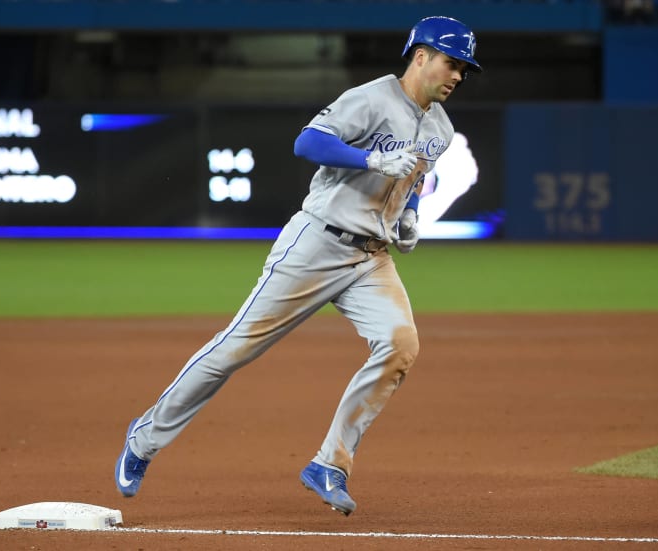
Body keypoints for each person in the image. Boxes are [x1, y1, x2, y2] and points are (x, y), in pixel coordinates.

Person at [115, 15, 482, 516]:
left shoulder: (440, 127)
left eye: (464, 67)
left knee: (401, 346)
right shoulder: (371, 98)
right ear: (420, 56)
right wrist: (371, 160)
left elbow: (414, 180)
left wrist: (411, 215)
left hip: (369, 258)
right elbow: (307, 142)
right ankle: (144, 439)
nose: (458, 74)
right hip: (315, 245)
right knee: (233, 351)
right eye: (451, 62)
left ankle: (330, 463)